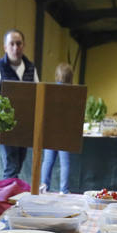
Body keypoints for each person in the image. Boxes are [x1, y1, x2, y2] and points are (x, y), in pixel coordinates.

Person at [0, 28, 36, 179]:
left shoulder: (31, 68)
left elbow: (37, 95)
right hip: (4, 128)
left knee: (18, 165)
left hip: (24, 127)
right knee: (11, 167)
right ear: (5, 47)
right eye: (11, 44)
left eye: (18, 44)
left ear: (23, 45)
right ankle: (7, 200)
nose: (15, 48)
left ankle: (12, 196)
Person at [40, 63, 74, 193]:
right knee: (64, 162)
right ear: (71, 78)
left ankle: (44, 186)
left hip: (50, 130)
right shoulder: (72, 93)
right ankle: (63, 190)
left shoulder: (50, 91)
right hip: (64, 131)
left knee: (48, 161)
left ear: (56, 76)